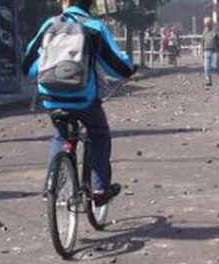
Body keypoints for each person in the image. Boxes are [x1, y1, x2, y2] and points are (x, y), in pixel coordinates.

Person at [22, 0, 135, 204]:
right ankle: (99, 188)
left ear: (65, 1)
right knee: (99, 135)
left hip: (51, 98)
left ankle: (53, 185)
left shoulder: (50, 25)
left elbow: (28, 66)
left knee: (62, 135)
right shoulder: (94, 28)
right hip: (84, 99)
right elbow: (116, 66)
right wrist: (129, 67)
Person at [200, 17, 219, 86]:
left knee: (215, 66)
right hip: (206, 50)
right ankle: (208, 80)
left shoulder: (215, 31)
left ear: (211, 23)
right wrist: (202, 51)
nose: (207, 25)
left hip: (214, 51)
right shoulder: (205, 31)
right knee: (206, 67)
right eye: (205, 24)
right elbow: (202, 41)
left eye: (208, 23)